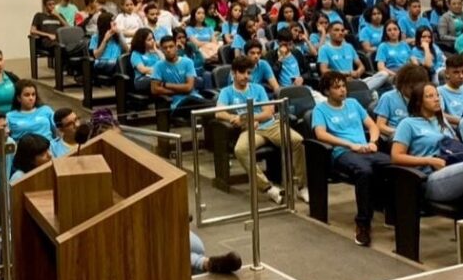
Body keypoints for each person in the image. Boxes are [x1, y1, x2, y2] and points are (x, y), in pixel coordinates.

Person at [216, 56, 308, 204]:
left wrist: (247, 119)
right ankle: (268, 188)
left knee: (298, 140)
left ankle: (302, 187)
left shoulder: (258, 89)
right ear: (234, 73)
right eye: (243, 73)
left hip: (270, 125)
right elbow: (219, 113)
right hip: (250, 131)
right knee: (240, 150)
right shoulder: (226, 92)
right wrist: (233, 119)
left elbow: (268, 113)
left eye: (249, 73)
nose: (247, 76)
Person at [312, 71, 387, 246]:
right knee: (365, 172)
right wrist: (349, 145)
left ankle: (393, 212)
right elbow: (320, 134)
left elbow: (372, 125)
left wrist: (373, 141)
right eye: (337, 87)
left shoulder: (353, 103)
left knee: (394, 165)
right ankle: (363, 224)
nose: (342, 90)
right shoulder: (320, 109)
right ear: (326, 91)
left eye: (343, 86)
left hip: (366, 149)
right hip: (342, 153)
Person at [392, 84, 463, 204]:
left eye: (437, 95)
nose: (436, 99)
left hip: (454, 167)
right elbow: (396, 157)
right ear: (419, 102)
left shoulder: (442, 121)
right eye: (430, 96)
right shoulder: (408, 124)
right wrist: (429, 160)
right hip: (431, 178)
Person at [150, 36, 212, 117]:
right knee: (191, 100)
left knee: (204, 100)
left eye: (171, 46)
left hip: (195, 98)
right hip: (176, 104)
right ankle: (218, 106)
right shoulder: (158, 66)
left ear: (176, 47)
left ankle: (217, 107)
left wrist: (166, 85)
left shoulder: (188, 62)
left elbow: (189, 87)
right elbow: (154, 89)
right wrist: (181, 90)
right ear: (161, 50)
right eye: (165, 48)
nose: (168, 50)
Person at [317, 21, 388, 91]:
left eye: (342, 30)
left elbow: (361, 66)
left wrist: (357, 73)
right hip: (339, 83)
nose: (340, 33)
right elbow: (324, 71)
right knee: (373, 95)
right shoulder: (324, 49)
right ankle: (362, 90)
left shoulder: (349, 47)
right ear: (329, 33)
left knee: (383, 74)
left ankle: (361, 90)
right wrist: (345, 74)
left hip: (355, 80)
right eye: (336, 30)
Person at [375, 64, 429, 138]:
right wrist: (403, 132)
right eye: (411, 87)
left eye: (418, 88)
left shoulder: (424, 98)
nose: (414, 91)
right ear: (402, 83)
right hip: (397, 135)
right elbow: (380, 126)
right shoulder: (388, 97)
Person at [88, 11, 128, 76]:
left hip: (116, 63)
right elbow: (96, 55)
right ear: (106, 24)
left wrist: (120, 34)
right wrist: (105, 40)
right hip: (101, 64)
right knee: (114, 63)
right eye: (112, 21)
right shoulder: (95, 37)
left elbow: (127, 50)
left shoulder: (118, 35)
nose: (115, 23)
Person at [129, 28, 162, 93]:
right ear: (141, 41)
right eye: (149, 39)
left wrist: (156, 51)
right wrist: (159, 71)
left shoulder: (155, 52)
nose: (152, 41)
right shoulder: (136, 54)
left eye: (153, 38)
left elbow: (165, 62)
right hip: (141, 79)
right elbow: (143, 69)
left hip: (155, 76)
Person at [440, 54, 463, 126]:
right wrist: (461, 121)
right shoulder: (439, 91)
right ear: (447, 73)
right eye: (456, 72)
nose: (461, 76)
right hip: (454, 132)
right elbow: (440, 114)